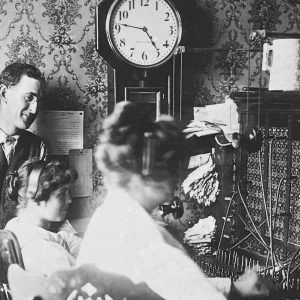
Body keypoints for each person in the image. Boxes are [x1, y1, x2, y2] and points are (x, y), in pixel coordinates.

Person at [76, 101, 270, 300]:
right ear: (146, 168)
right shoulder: (144, 237)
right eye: (171, 165)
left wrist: (232, 287)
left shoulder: (109, 215)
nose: (176, 175)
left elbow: (168, 283)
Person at [5, 158, 81, 276]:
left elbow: (63, 238)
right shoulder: (49, 254)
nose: (69, 200)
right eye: (62, 194)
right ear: (35, 196)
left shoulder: (14, 226)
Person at [0, 62, 47, 228]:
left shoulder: (38, 147)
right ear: (4, 93)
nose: (34, 109)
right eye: (28, 98)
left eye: (38, 101)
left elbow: (37, 207)